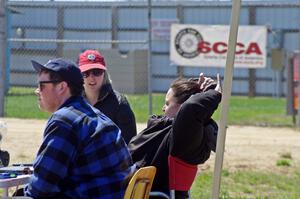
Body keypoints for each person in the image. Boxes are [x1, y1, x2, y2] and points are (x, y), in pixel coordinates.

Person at [18, 58, 135, 198]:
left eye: (41, 85)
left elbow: (41, 189)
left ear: (61, 87)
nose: (37, 91)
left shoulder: (64, 121)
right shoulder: (95, 116)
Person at [128, 73, 222, 198]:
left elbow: (191, 107)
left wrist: (214, 93)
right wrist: (198, 87)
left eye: (167, 103)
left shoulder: (182, 139)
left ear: (181, 109)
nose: (163, 108)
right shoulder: (164, 128)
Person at [77, 49, 137, 144]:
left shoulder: (119, 104)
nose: (91, 77)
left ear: (104, 74)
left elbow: (129, 143)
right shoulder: (74, 103)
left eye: (97, 72)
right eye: (86, 73)